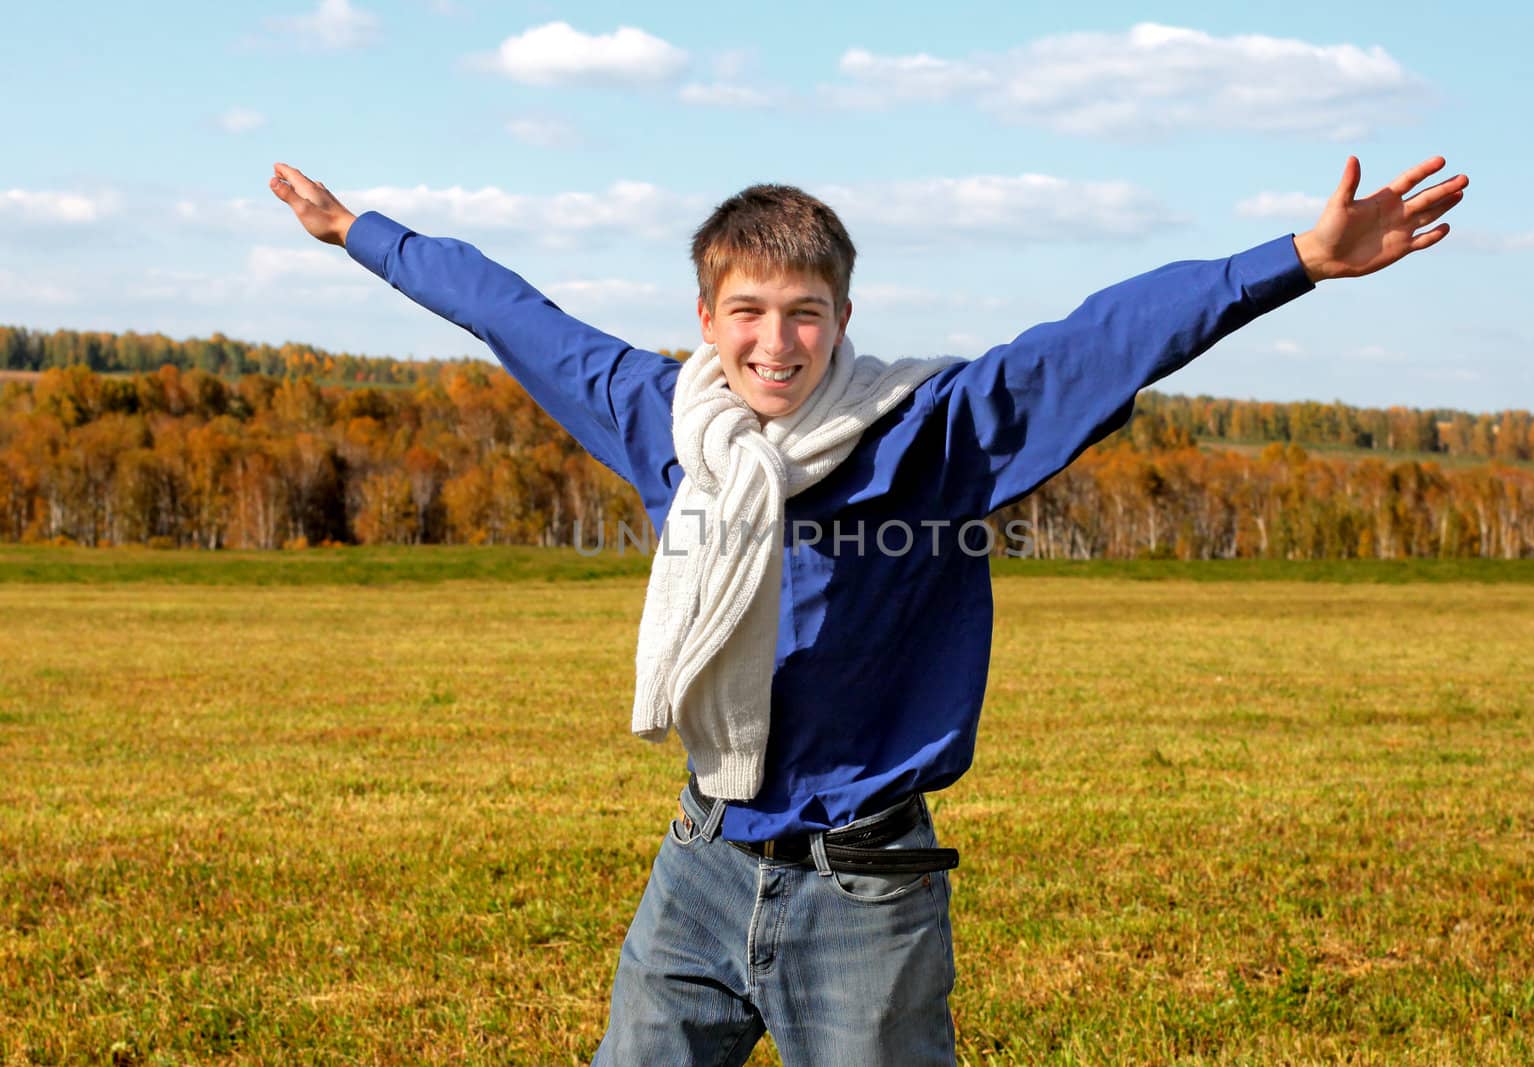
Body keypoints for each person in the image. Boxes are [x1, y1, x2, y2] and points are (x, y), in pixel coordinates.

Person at [270, 155, 1467, 1064]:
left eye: (803, 312)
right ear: (707, 320)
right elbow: (509, 311)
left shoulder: (928, 435)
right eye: (746, 310)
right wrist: (358, 234)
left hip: (865, 888)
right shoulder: (661, 417)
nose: (774, 340)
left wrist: (1292, 263)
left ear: (841, 318)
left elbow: (1097, 342)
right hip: (698, 864)